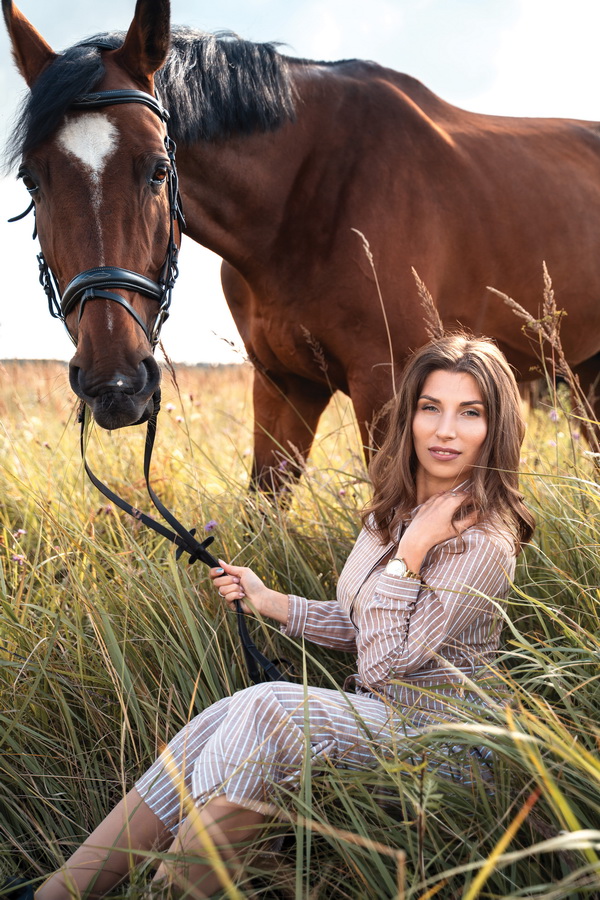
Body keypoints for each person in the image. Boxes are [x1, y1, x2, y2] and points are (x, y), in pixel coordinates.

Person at [31, 333, 534, 899]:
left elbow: (386, 663)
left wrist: (413, 552)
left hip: (445, 745)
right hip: (383, 716)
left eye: (471, 413)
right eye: (430, 407)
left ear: (497, 429)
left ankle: (175, 886)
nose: (445, 430)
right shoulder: (392, 512)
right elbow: (366, 626)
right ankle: (56, 894)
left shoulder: (485, 541)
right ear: (410, 415)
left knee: (267, 709)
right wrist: (269, 601)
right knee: (218, 720)